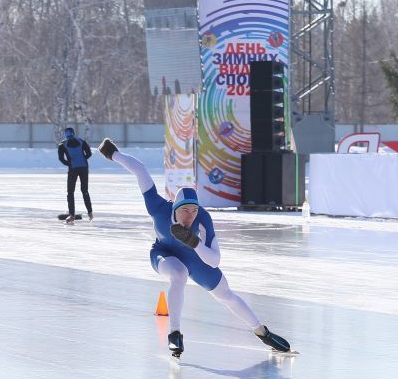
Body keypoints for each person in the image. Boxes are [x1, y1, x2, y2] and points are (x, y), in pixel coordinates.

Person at [96, 138, 291, 357]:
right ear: (175, 209)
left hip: (196, 259)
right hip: (164, 254)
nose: (190, 216)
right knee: (178, 274)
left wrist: (195, 243)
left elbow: (215, 261)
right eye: (185, 211)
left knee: (226, 295)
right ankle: (175, 334)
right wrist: (113, 154)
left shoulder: (204, 220)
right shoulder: (158, 208)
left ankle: (262, 332)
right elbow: (140, 170)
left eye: (194, 211)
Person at [57, 127, 93, 223]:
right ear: (74, 133)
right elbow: (89, 153)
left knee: (70, 192)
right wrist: (82, 160)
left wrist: (69, 163)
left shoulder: (62, 145)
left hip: (73, 169)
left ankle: (72, 215)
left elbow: (61, 158)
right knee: (85, 190)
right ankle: (90, 213)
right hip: (84, 168)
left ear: (66, 134)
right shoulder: (81, 141)